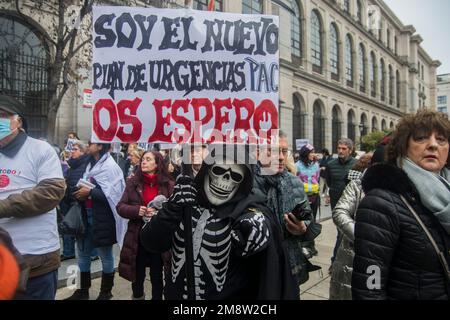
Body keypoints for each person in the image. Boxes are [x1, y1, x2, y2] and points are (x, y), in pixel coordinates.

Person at [140, 145, 298, 299]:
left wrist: (259, 232)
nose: (226, 180)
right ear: (207, 171)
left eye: (235, 176)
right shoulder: (186, 201)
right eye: (219, 170)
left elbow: (271, 273)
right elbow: (151, 241)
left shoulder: (248, 211)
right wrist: (171, 209)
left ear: (242, 184)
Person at [352, 109, 450, 300]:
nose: (432, 145)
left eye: (441, 139)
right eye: (421, 138)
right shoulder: (381, 204)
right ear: (404, 146)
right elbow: (369, 287)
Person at [0, 95, 66, 300]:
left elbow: (51, 192)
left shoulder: (40, 149)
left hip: (35, 262)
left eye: (3, 115)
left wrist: (3, 207)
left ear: (18, 121)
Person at [253, 131, 319, 291]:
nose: (281, 157)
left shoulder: (294, 182)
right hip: (257, 269)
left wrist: (302, 227)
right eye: (273, 151)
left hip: (289, 265)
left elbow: (307, 216)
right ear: (257, 153)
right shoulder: (246, 183)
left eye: (283, 151)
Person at [66, 142, 126, 300]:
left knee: (105, 256)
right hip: (84, 215)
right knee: (83, 254)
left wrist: (91, 192)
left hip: (102, 218)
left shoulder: (111, 167)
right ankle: (82, 291)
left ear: (100, 146)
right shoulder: (87, 164)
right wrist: (77, 192)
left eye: (91, 143)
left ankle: (105, 293)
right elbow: (75, 184)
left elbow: (116, 197)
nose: (88, 145)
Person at [117, 150, 174, 300]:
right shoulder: (132, 182)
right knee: (137, 275)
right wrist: (137, 210)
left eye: (148, 159)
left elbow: (175, 211)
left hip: (158, 238)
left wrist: (160, 214)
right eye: (143, 159)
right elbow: (120, 207)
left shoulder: (168, 185)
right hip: (137, 237)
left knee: (157, 276)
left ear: (157, 164)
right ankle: (138, 296)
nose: (143, 162)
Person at [329, 152, 373, 300]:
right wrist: (363, 237)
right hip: (352, 249)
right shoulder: (358, 183)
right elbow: (339, 212)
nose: (340, 151)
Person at [325, 138, 356, 272]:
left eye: (344, 149)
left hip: (351, 205)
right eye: (339, 148)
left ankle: (336, 262)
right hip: (336, 203)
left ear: (350, 150)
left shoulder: (356, 164)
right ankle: (337, 262)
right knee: (341, 232)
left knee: (344, 234)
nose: (341, 151)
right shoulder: (331, 164)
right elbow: (329, 182)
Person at [295, 144, 321, 258]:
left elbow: (317, 179)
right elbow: (296, 182)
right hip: (302, 198)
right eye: (311, 152)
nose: (313, 154)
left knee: (312, 221)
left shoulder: (316, 165)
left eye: (313, 152)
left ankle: (311, 245)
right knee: (304, 221)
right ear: (305, 154)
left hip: (314, 197)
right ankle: (302, 246)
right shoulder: (297, 166)